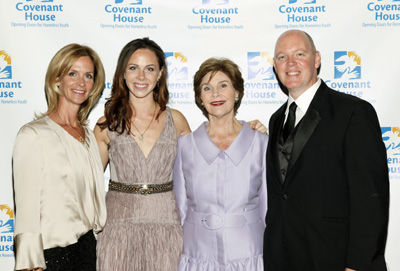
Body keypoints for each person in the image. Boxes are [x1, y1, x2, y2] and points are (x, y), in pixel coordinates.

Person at [263, 29, 389, 271]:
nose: (290, 63)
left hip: (334, 258)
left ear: (317, 59)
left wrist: (358, 264)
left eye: (299, 53)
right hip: (282, 259)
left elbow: (371, 200)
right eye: (282, 57)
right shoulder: (276, 119)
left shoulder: (352, 112)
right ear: (275, 66)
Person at [94, 37, 191, 271]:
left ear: (160, 74)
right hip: (118, 226)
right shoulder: (106, 124)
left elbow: (202, 167)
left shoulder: (176, 121)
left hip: (166, 224)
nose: (141, 77)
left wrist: (242, 130)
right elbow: (88, 184)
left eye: (149, 69)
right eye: (133, 68)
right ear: (123, 74)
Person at [12, 44, 107, 271]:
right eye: (72, 73)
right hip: (51, 257)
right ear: (57, 80)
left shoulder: (89, 136)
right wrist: (30, 264)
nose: (80, 82)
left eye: (88, 76)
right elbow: (26, 209)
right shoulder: (33, 135)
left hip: (89, 251)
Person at [173, 57, 268, 270]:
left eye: (223, 85)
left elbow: (268, 209)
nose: (215, 94)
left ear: (237, 92)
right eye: (207, 88)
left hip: (249, 257)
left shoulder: (261, 143)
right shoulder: (185, 145)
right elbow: (179, 209)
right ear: (200, 98)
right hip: (198, 257)